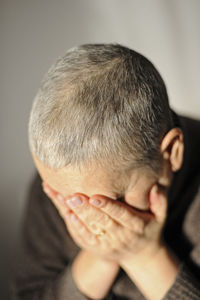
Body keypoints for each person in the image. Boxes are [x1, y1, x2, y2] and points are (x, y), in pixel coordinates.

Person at [11, 44, 200, 300]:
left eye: (111, 202)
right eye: (69, 200)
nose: (91, 220)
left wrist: (145, 256)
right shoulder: (57, 181)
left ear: (170, 153)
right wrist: (100, 258)